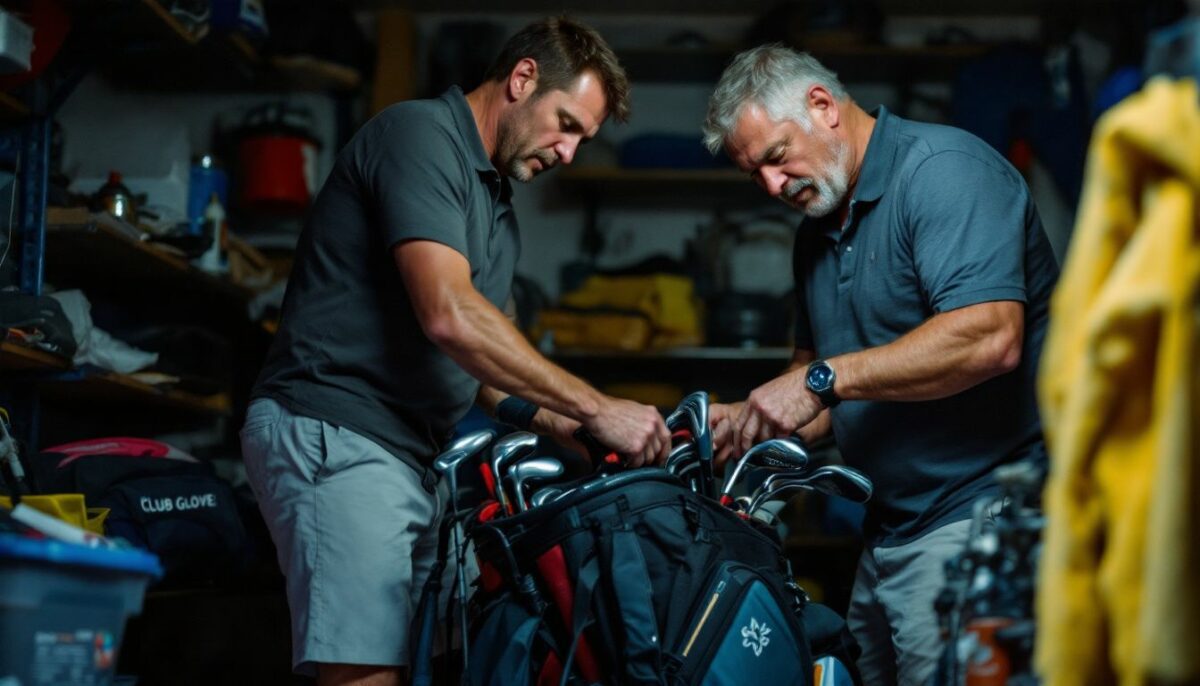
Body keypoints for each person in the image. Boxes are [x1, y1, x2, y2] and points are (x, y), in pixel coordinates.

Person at [240, 18, 670, 686]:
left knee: (451, 660)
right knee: (363, 674)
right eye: (566, 124)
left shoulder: (495, 204)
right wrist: (596, 403)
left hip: (412, 459)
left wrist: (566, 425)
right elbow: (450, 317)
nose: (568, 153)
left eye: (582, 137)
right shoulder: (419, 138)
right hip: (341, 434)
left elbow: (481, 364)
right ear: (522, 79)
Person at [701, 45, 1059, 686]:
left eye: (777, 158)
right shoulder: (816, 230)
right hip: (891, 530)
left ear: (822, 106)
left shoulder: (945, 173)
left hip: (977, 519)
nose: (772, 188)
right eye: (754, 174)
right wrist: (745, 422)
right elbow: (817, 400)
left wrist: (819, 381)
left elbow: (989, 338)